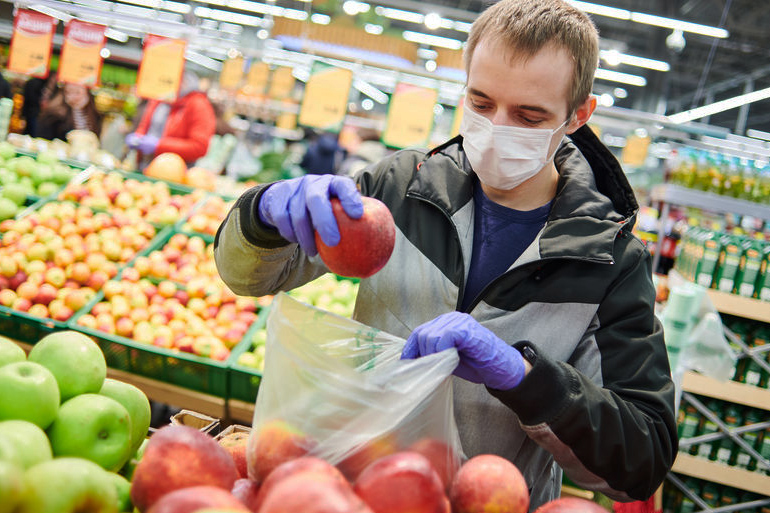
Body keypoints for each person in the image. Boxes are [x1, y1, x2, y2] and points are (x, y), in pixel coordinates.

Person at [213, 0, 677, 508]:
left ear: (578, 115)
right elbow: (246, 276)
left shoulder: (609, 261)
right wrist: (264, 215)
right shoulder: (398, 189)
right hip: (358, 492)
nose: (497, 128)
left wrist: (527, 379)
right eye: (480, 103)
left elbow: (642, 458)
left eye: (529, 115)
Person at [125, 70, 216, 166]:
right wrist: (138, 137)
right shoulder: (160, 96)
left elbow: (199, 147)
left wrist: (159, 145)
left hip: (174, 170)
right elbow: (146, 124)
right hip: (143, 164)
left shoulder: (199, 105)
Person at [37, 83, 102, 141]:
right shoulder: (54, 116)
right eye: (67, 92)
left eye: (77, 92)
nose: (71, 97)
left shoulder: (96, 115)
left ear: (87, 93)